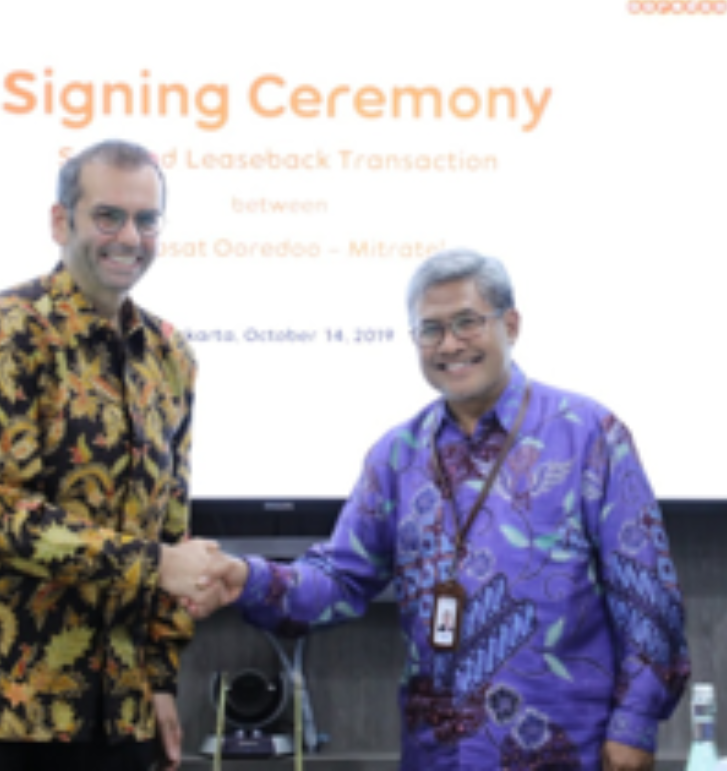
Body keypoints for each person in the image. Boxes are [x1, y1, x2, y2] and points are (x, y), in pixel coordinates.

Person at [187, 248, 691, 770]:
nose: (449, 344)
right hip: (436, 753)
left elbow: (646, 594)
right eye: (430, 329)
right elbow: (340, 579)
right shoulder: (396, 455)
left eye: (467, 322)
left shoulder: (588, 435)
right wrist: (245, 578)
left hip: (568, 750)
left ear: (510, 325)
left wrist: (635, 725)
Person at [0, 139, 220, 770]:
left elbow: (170, 524)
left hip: (119, 712)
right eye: (108, 217)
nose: (130, 238)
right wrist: (153, 564)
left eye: (146, 220)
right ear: (61, 222)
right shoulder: (1, 331)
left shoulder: (169, 354)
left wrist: (160, 679)